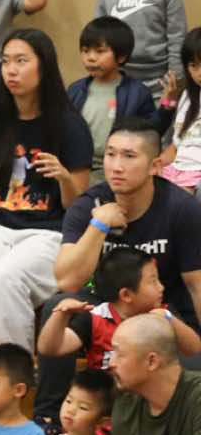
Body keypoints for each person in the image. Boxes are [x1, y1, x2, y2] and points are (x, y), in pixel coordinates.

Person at [0, 30, 92, 353]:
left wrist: (64, 178)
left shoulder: (70, 125)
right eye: (6, 61)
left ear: (44, 67)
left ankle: (9, 372)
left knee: (3, 277)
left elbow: (76, 204)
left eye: (21, 61)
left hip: (49, 233)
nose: (11, 70)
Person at [55, 120, 201, 335]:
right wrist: (98, 225)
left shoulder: (181, 209)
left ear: (155, 166)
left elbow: (197, 286)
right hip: (104, 308)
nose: (116, 167)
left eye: (129, 156)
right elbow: (67, 281)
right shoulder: (87, 206)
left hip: (163, 312)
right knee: (56, 307)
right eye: (110, 154)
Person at [38, 251, 201, 383]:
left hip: (147, 401)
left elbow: (193, 348)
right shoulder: (95, 318)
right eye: (153, 281)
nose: (161, 287)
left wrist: (169, 318)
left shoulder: (161, 315)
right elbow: (50, 348)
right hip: (105, 401)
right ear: (126, 295)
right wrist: (61, 315)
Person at [70, 17, 156, 186]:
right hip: (79, 167)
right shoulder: (75, 90)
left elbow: (150, 131)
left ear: (121, 56)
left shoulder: (138, 93)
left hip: (117, 169)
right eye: (85, 51)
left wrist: (167, 108)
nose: (91, 58)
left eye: (100, 51)